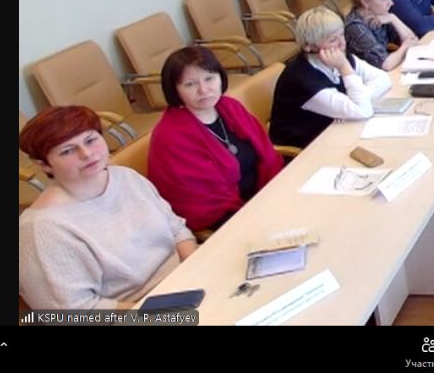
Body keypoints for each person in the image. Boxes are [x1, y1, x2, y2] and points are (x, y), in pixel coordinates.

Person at [19, 106, 197, 310]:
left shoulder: (126, 176)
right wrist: (160, 311)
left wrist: (196, 268)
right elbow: (74, 312)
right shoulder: (40, 230)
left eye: (90, 140)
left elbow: (177, 229)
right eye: (67, 151)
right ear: (43, 164)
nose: (86, 154)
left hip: (187, 283)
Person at [148, 47, 285, 233]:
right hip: (228, 219)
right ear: (175, 90)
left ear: (221, 77)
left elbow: (267, 156)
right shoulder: (170, 137)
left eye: (209, 78)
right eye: (190, 84)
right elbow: (202, 203)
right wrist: (261, 212)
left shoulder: (230, 107)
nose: (203, 90)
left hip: (266, 195)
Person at [269, 7, 392, 150]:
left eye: (342, 35)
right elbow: (363, 111)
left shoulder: (339, 56)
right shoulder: (302, 78)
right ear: (309, 46)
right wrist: (345, 69)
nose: (342, 44)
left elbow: (383, 78)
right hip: (307, 149)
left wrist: (359, 99)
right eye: (333, 39)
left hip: (335, 132)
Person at [344, 0, 419, 71]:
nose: (391, 3)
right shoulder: (355, 27)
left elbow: (413, 40)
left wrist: (393, 18)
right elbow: (385, 65)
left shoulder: (381, 16)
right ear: (365, 2)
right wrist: (405, 46)